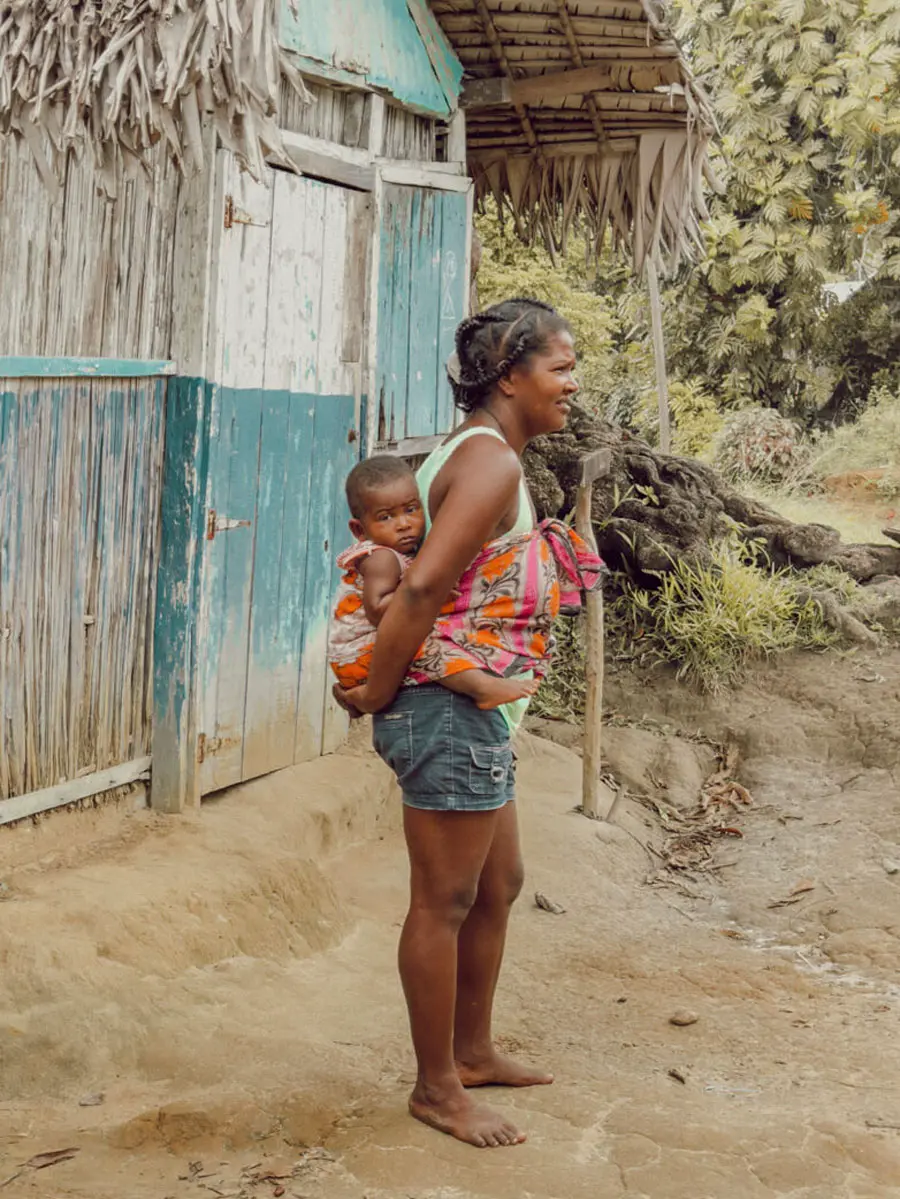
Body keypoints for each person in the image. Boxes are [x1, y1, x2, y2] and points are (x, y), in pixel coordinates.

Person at [334, 298, 589, 1149]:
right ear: (511, 375)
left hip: (471, 711)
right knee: (443, 899)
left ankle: (472, 1050)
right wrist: (375, 689)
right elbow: (417, 590)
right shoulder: (490, 467)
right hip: (443, 708)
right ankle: (437, 1086)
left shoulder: (473, 453)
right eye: (560, 367)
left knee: (499, 880)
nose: (571, 384)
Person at [329, 454, 539, 710]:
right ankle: (482, 689)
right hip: (359, 654)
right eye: (386, 517)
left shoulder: (400, 554)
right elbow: (376, 611)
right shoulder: (381, 558)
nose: (404, 524)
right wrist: (430, 592)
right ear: (359, 530)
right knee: (425, 642)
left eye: (411, 510)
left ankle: (356, 699)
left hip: (363, 656)